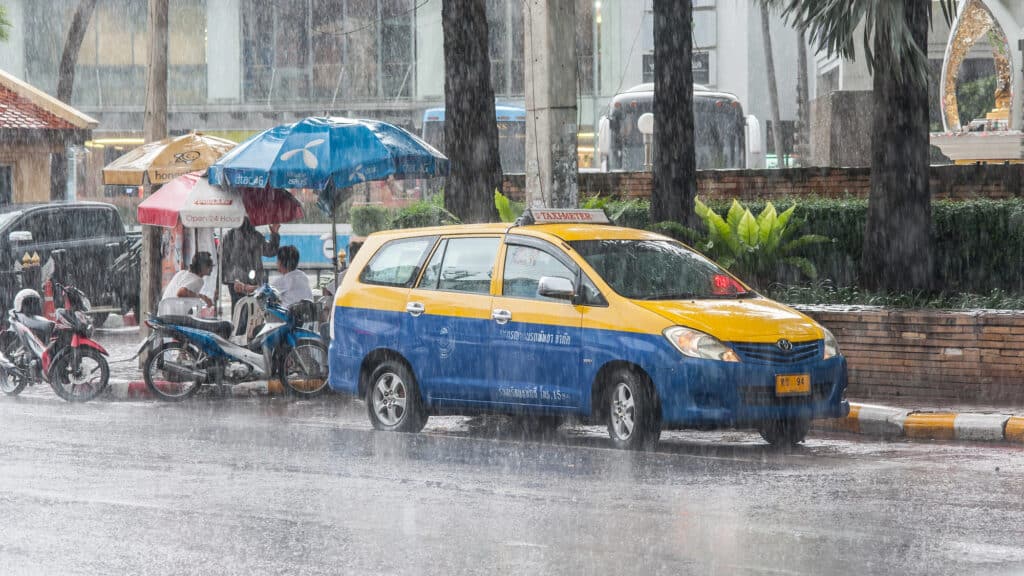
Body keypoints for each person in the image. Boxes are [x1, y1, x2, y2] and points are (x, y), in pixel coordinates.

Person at [222, 217, 281, 310]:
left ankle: (238, 324)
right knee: (253, 310)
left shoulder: (228, 236)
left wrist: (228, 280)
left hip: (236, 281)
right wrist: (274, 233)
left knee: (239, 310)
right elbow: (271, 251)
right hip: (252, 281)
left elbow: (223, 260)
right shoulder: (256, 236)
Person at [234, 245, 312, 309]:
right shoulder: (302, 276)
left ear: (281, 262)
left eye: (277, 260)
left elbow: (262, 290)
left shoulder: (286, 279)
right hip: (305, 317)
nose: (276, 263)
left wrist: (244, 287)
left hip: (290, 319)